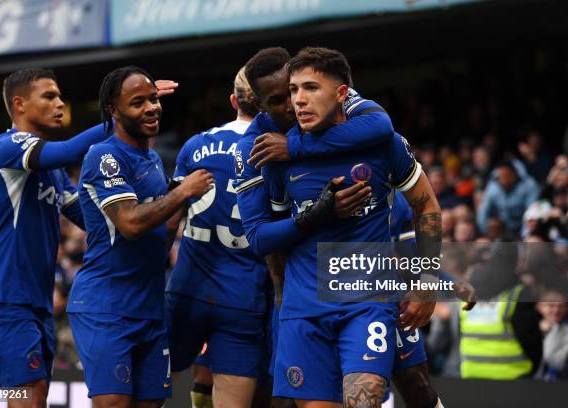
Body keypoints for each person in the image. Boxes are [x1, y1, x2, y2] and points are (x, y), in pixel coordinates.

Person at [261, 47, 442, 408]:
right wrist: (283, 298)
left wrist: (427, 280)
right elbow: (272, 238)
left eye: (311, 88)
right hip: (304, 307)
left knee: (373, 398)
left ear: (342, 93)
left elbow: (426, 206)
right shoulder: (277, 157)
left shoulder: (383, 144)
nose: (299, 100)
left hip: (366, 301)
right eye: (294, 89)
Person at [67, 66, 213, 407]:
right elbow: (130, 224)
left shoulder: (152, 159)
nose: (151, 108)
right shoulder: (105, 155)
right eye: (138, 102)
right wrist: (180, 194)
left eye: (153, 99)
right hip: (106, 306)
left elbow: (158, 241)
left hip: (148, 305)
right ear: (113, 111)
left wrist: (178, 205)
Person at [0, 67, 110, 408]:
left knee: (35, 395)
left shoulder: (54, 172)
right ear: (20, 104)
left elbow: (89, 217)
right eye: (49, 96)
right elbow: (69, 150)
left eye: (59, 95)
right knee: (28, 396)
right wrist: (118, 118)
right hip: (2, 296)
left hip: (35, 300)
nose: (60, 103)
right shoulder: (7, 147)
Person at [164, 66, 267, 407]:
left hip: (188, 288)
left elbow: (169, 222)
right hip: (243, 295)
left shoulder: (196, 145)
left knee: (150, 398)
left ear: (234, 101)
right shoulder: (279, 152)